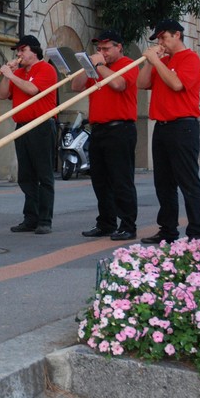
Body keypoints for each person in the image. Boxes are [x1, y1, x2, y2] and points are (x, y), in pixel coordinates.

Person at [137, 19, 200, 244]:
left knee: (188, 182)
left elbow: (176, 84)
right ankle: (168, 229)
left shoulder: (191, 59)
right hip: (162, 126)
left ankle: (196, 233)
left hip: (183, 126)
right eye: (158, 39)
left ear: (177, 35)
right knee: (164, 183)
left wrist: (157, 61)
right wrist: (150, 61)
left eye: (163, 37)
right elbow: (141, 83)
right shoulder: (163, 61)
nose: (161, 42)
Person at [71, 29, 139, 241]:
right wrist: (88, 65)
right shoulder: (98, 68)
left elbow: (118, 85)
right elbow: (76, 86)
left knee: (121, 179)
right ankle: (106, 222)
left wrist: (99, 65)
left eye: (106, 49)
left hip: (120, 128)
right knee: (100, 180)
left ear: (119, 47)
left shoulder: (128, 64)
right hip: (99, 129)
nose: (102, 52)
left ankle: (128, 225)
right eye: (99, 49)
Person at [0, 35, 58, 235]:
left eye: (22, 50)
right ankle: (30, 218)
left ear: (34, 50)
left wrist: (13, 75)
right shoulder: (20, 73)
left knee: (44, 174)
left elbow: (33, 90)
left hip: (41, 126)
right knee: (26, 175)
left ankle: (45, 219)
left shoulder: (46, 69)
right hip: (22, 126)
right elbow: (2, 94)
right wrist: (8, 75)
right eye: (18, 51)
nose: (19, 54)